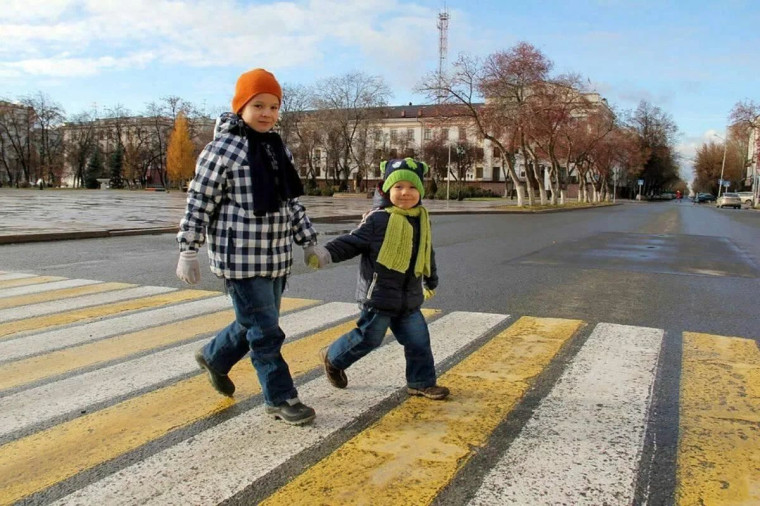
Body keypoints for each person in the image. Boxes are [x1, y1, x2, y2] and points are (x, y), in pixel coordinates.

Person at [175, 68, 318, 425]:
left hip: (275, 259)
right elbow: (199, 200)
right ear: (241, 106)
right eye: (258, 105)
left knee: (253, 322)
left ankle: (214, 357)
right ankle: (280, 397)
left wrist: (308, 241)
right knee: (266, 331)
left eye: (273, 106)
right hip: (240, 258)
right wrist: (188, 248)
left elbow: (291, 202)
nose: (267, 113)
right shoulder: (221, 150)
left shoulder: (276, 147)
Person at [305, 158, 450, 400]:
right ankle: (334, 357)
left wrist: (430, 279)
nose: (406, 193)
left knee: (419, 341)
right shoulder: (377, 219)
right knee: (368, 339)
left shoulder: (421, 218)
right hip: (379, 296)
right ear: (386, 190)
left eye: (413, 187)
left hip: (409, 297)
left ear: (421, 192)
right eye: (398, 187)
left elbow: (426, 251)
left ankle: (421, 382)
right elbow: (352, 242)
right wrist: (326, 253)